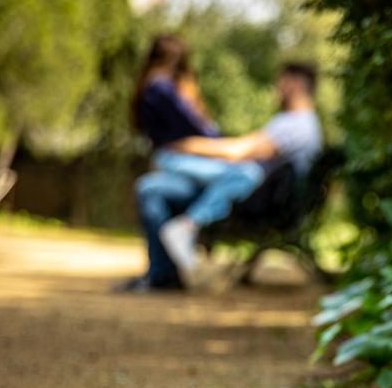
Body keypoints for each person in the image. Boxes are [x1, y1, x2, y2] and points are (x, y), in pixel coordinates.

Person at [127, 62, 323, 292]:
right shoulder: (299, 122)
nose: (277, 87)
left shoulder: (295, 125)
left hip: (249, 197)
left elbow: (237, 152)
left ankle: (185, 228)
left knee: (164, 165)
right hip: (239, 192)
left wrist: (186, 146)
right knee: (149, 188)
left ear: (296, 84)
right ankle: (164, 274)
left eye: (281, 81)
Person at [131, 34, 220, 150]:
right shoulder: (160, 88)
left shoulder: (149, 85)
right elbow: (193, 125)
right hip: (182, 149)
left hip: (180, 147)